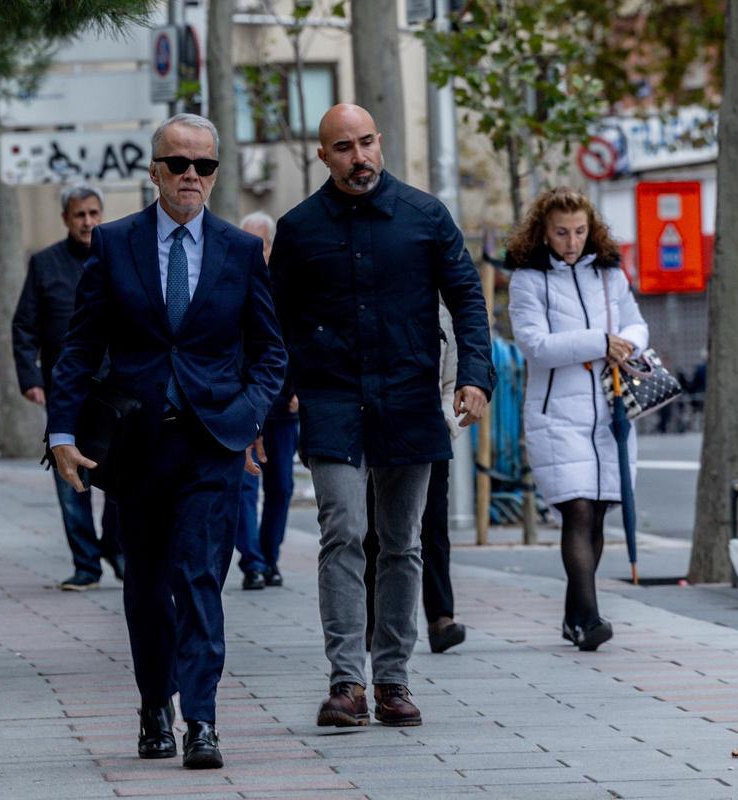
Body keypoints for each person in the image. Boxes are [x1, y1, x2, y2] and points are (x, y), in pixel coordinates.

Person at [47, 114, 286, 769]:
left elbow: (270, 352)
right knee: (148, 585)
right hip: (137, 447)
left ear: (215, 174)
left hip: (211, 443)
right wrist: (62, 432)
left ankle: (201, 720)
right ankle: (155, 703)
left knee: (202, 577)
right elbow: (79, 347)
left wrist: (248, 417)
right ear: (154, 171)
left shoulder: (240, 250)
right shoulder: (114, 243)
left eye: (203, 166)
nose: (190, 176)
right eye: (178, 164)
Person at [271, 104, 495, 729]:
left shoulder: (426, 216)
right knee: (343, 531)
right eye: (344, 148)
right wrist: (270, 403)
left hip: (408, 399)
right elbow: (273, 323)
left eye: (366, 142)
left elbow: (467, 298)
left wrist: (475, 376)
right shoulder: (299, 229)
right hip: (332, 402)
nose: (359, 157)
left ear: (381, 142)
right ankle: (347, 683)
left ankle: (393, 680)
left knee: (401, 542)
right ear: (323, 156)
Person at [507, 187, 649, 652]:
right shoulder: (528, 280)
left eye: (580, 231)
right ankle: (588, 618)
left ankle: (574, 618)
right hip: (556, 415)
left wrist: (626, 343)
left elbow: (637, 325)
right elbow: (535, 346)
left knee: (600, 510)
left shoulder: (609, 274)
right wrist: (599, 342)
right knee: (578, 507)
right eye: (561, 233)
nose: (572, 242)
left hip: (609, 412)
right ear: (543, 233)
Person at [13, 184, 124, 590]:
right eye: (80, 215)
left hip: (117, 389)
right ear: (66, 218)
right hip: (65, 390)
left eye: (94, 213)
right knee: (69, 476)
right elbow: (24, 326)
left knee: (120, 474)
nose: (88, 222)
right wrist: (29, 379)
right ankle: (86, 565)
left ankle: (116, 548)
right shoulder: (45, 264)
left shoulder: (118, 256)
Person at [363, 301, 464, 654]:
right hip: (377, 427)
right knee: (375, 529)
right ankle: (372, 622)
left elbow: (452, 378)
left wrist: (445, 419)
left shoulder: (441, 311)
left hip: (429, 431)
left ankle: (441, 617)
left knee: (433, 527)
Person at [234, 211, 299, 591]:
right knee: (245, 485)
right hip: (245, 404)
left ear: (272, 247)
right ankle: (253, 563)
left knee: (281, 486)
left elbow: (300, 342)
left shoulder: (288, 287)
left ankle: (270, 557)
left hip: (283, 405)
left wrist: (299, 390)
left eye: (259, 245)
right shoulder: (232, 284)